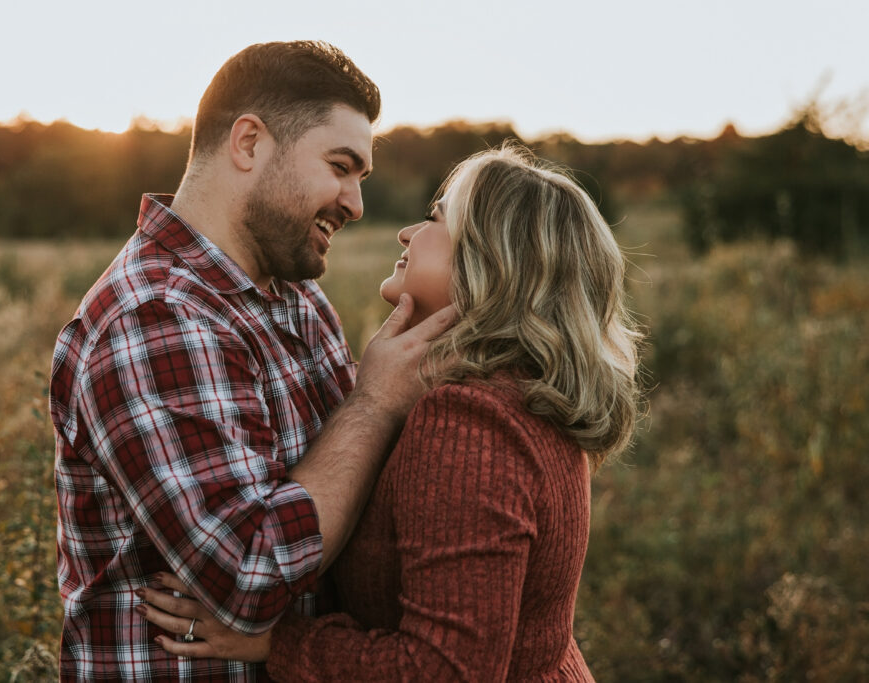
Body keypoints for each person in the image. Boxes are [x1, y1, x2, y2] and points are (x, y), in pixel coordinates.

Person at [137, 145, 643, 681]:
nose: (407, 234)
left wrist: (275, 643)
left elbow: (445, 669)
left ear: (491, 261)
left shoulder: (469, 420)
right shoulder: (523, 389)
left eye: (435, 219)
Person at [49, 41, 454, 681]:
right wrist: (375, 403)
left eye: (361, 177)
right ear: (248, 143)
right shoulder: (154, 317)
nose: (355, 203)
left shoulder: (298, 298)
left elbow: (344, 510)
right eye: (340, 165)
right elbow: (250, 576)